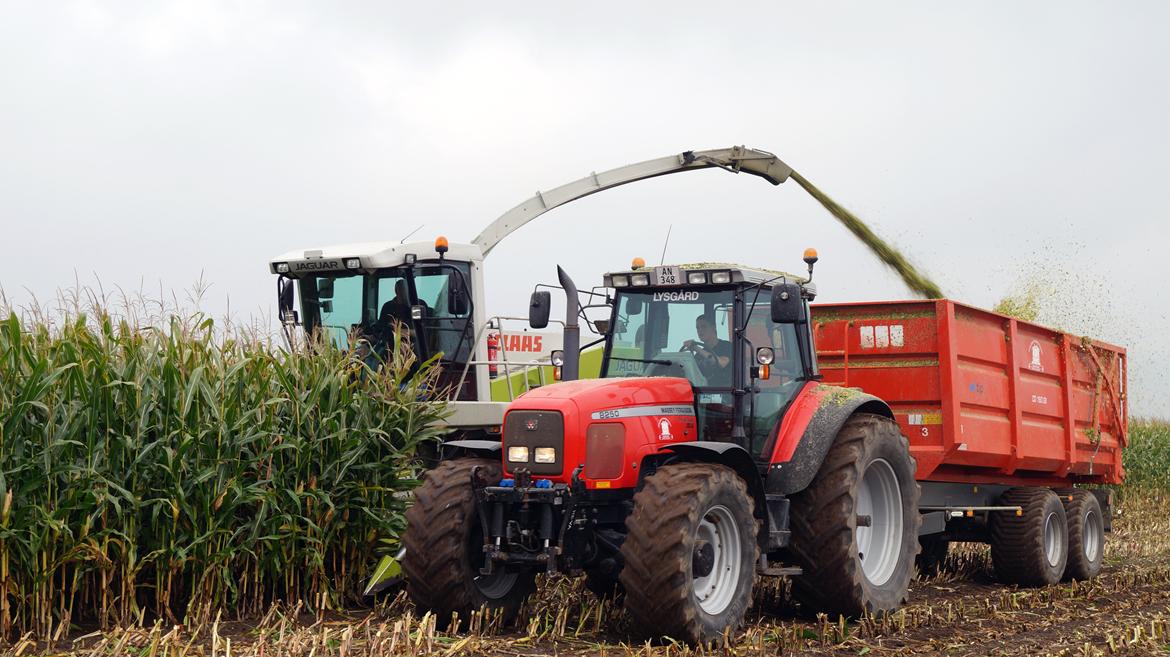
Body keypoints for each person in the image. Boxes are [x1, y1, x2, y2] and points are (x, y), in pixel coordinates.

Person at [681, 313, 732, 385]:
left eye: (703, 326)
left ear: (713, 328)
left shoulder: (726, 346)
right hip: (703, 392)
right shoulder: (698, 355)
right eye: (697, 328)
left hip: (725, 392)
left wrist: (697, 348)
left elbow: (722, 363)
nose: (700, 330)